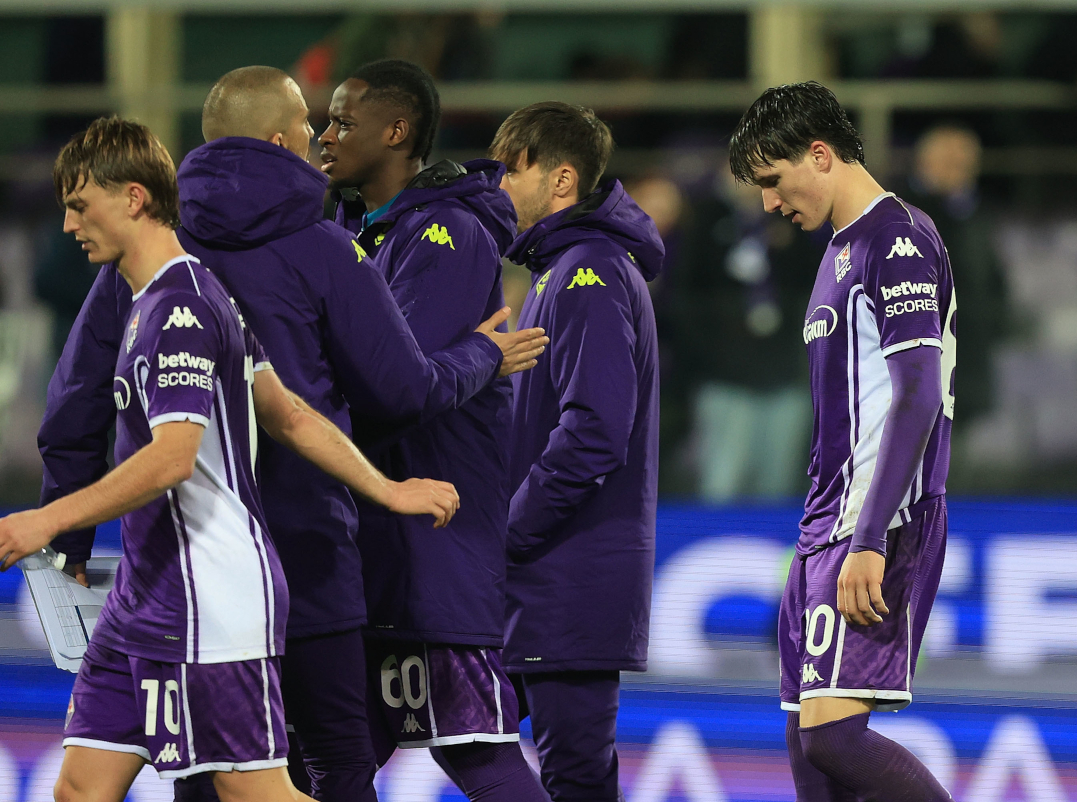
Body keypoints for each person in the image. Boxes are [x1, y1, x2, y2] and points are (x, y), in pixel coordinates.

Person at [36, 67, 547, 802]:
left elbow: (76, 404)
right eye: (311, 125)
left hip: (187, 562)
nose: (319, 138)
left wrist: (68, 545)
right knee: (336, 766)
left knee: (207, 771)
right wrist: (481, 356)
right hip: (309, 554)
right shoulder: (324, 248)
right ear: (282, 139)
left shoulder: (152, 257)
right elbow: (396, 393)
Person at [319, 60, 547, 800]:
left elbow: (394, 386)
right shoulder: (359, 232)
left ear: (396, 131)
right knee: (328, 761)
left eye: (342, 121)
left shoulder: (445, 232)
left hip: (434, 546)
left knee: (473, 750)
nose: (326, 136)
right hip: (371, 543)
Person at [729, 82, 955, 802]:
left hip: (876, 522)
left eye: (773, 180)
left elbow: (917, 389)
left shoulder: (898, 238)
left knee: (833, 737)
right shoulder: (838, 252)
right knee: (809, 755)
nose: (768, 203)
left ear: (819, 155)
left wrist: (868, 538)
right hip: (823, 526)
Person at [490, 101, 662, 801]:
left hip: (566, 578)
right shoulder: (560, 270)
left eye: (510, 169)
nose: (496, 185)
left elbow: (594, 429)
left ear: (561, 182)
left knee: (575, 778)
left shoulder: (587, 274)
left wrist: (508, 530)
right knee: (473, 741)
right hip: (544, 581)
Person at [672, 167, 823, 501]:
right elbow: (686, 298)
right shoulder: (705, 221)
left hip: (786, 376)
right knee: (722, 482)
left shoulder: (794, 220)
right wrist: (710, 358)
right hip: (725, 379)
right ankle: (715, 553)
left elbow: (817, 288)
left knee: (777, 486)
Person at [906, 124, 1006, 427]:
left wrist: (993, 322)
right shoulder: (899, 213)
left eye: (964, 163)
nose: (958, 171)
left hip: (966, 360)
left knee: (953, 464)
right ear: (924, 164)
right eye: (948, 162)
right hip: (914, 367)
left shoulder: (975, 213)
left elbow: (992, 281)